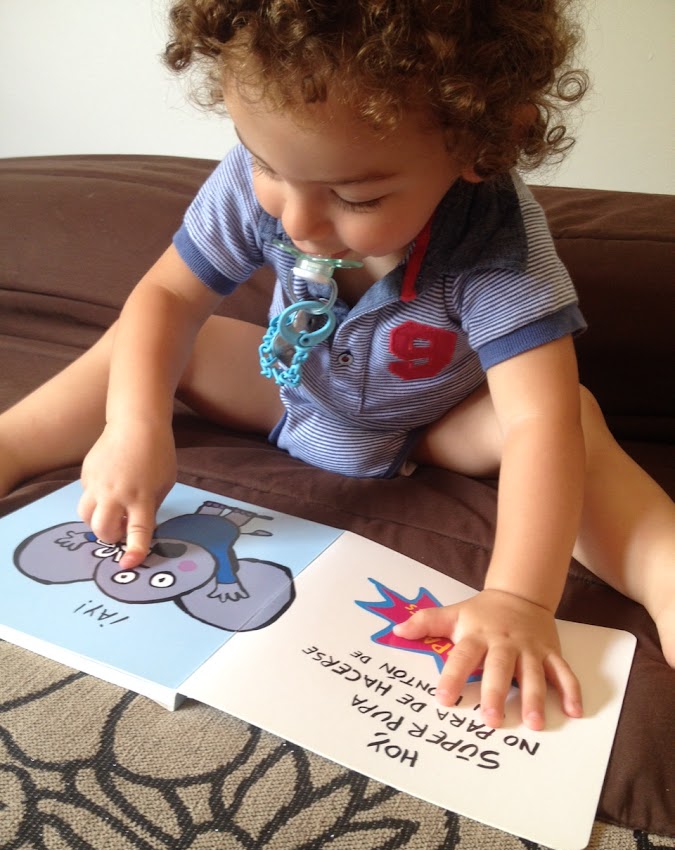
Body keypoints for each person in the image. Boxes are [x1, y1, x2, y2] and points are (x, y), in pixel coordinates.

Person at [0, 1, 673, 730]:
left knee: (571, 415)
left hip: (433, 424)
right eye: (266, 166)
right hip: (291, 390)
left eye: (357, 196)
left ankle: (666, 576)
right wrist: (133, 426)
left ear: (484, 147)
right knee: (156, 342)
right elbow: (166, 296)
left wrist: (517, 598)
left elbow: (538, 422)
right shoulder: (266, 184)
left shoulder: (498, 246)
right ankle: (10, 444)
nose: (296, 221)